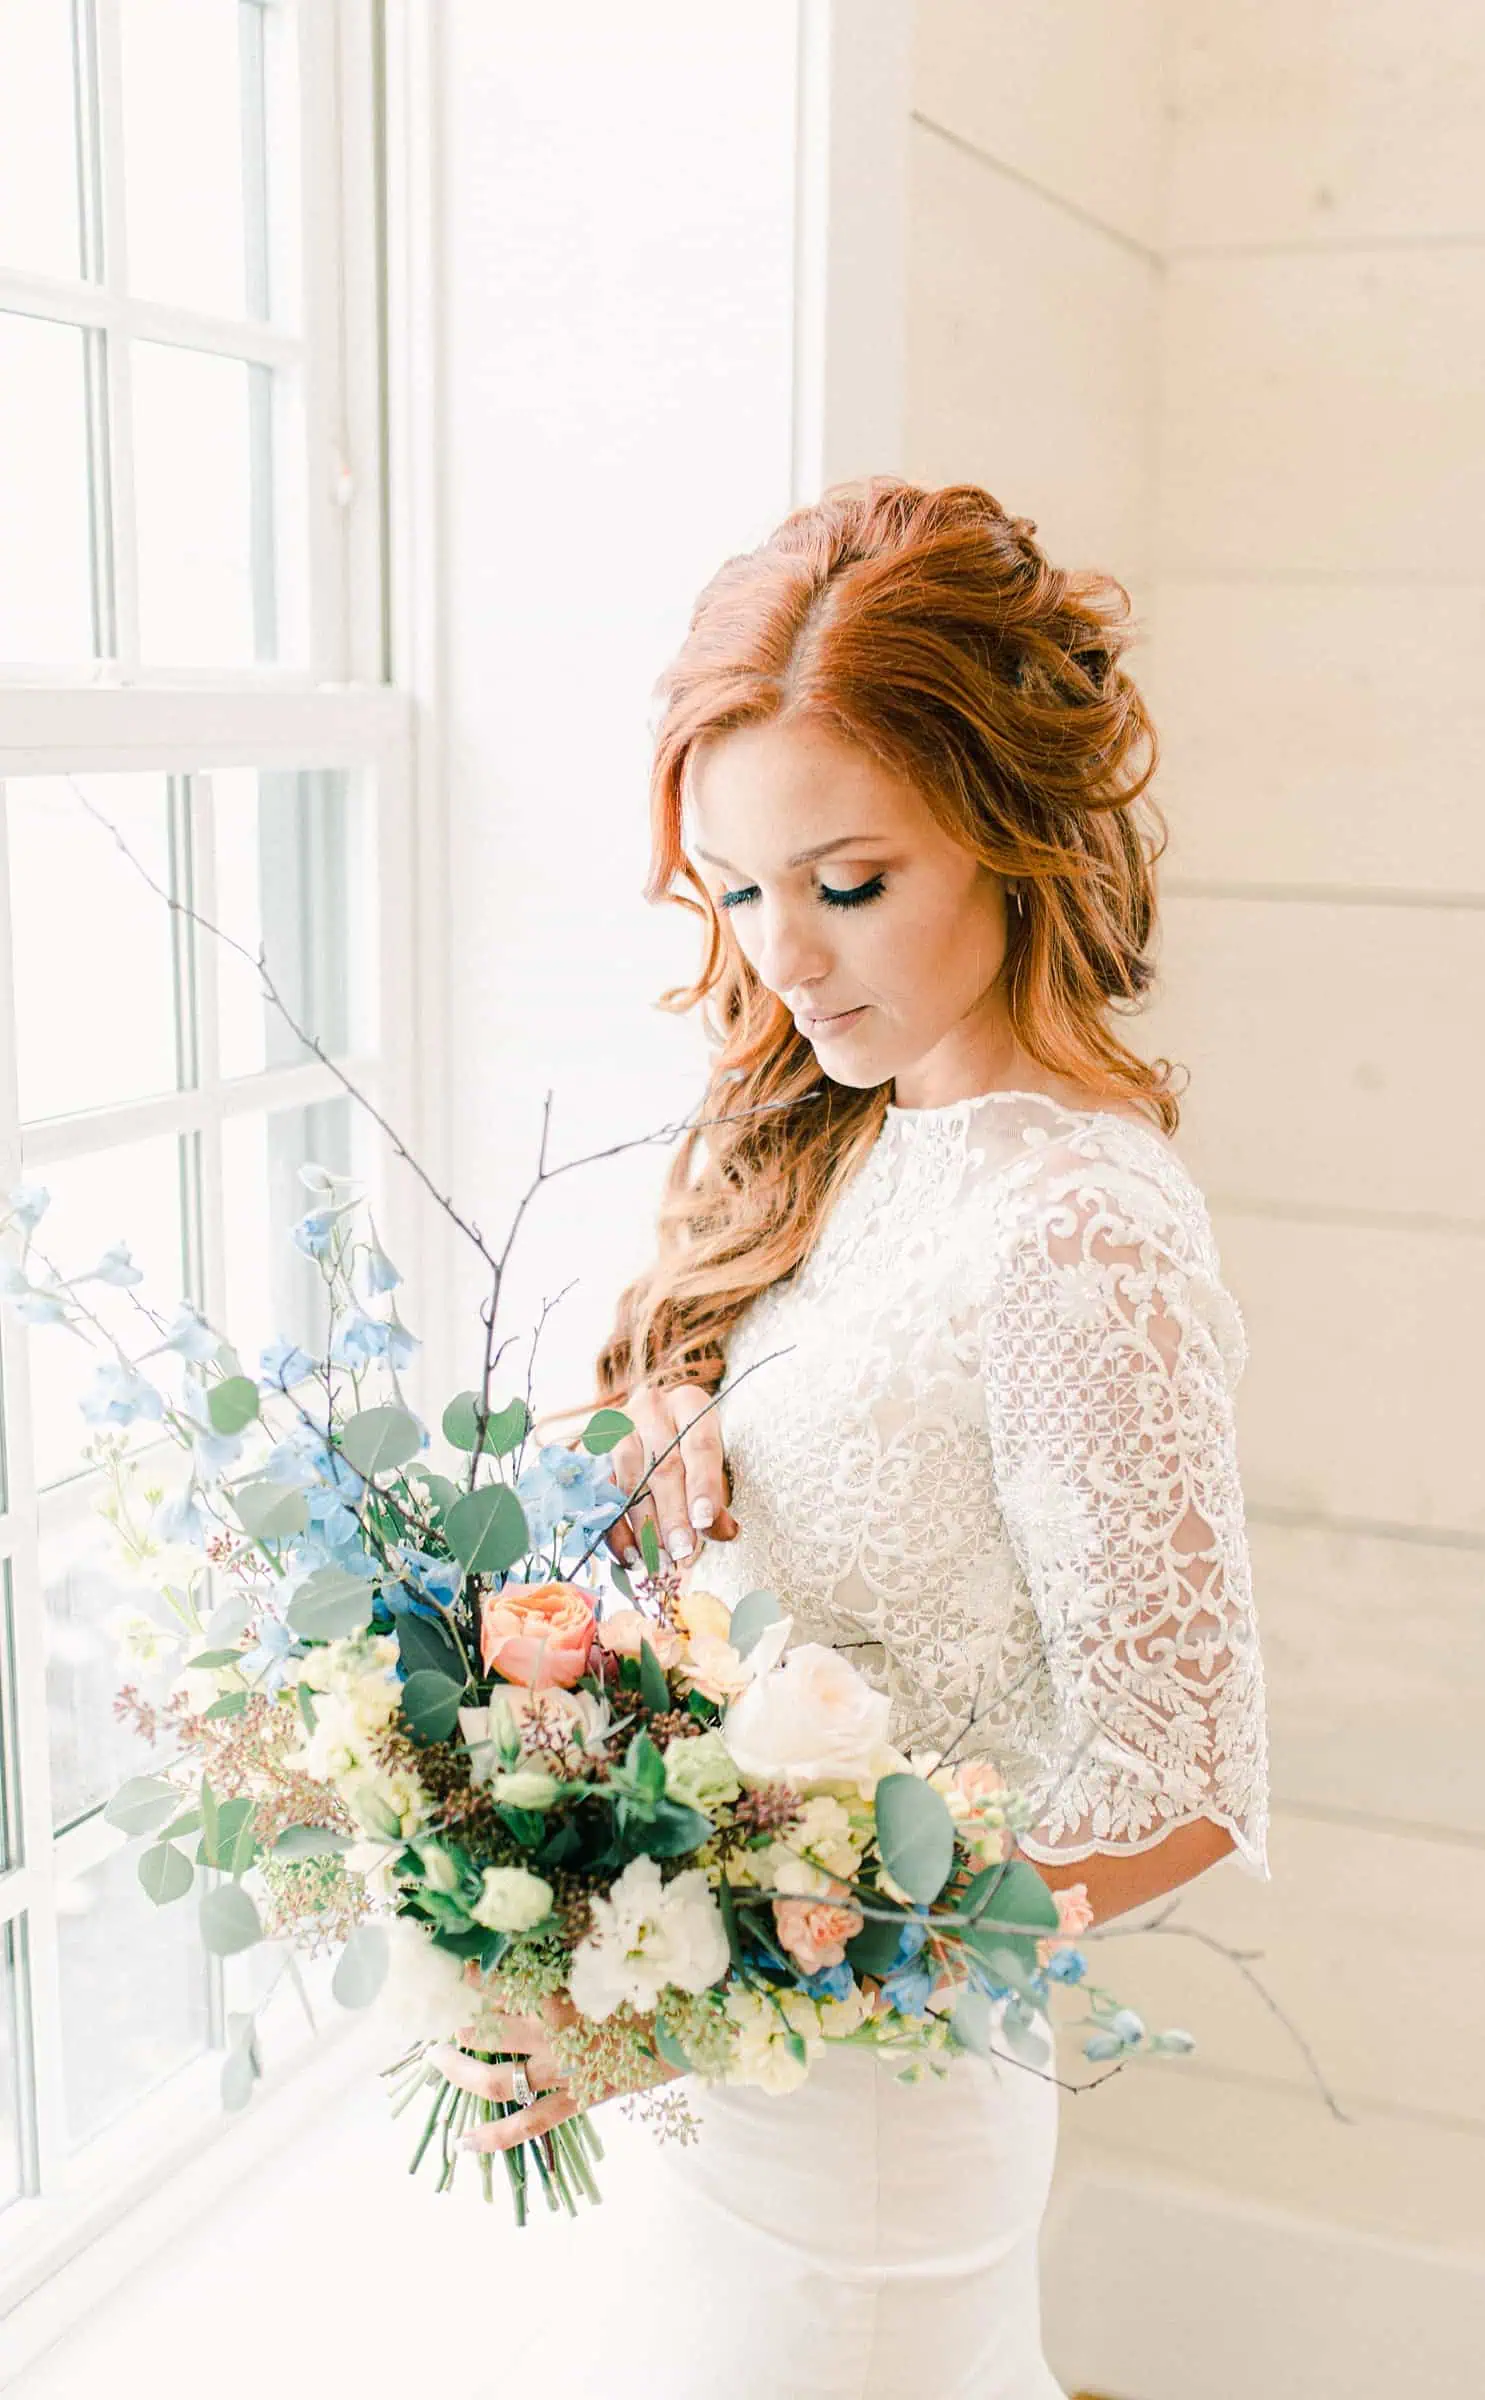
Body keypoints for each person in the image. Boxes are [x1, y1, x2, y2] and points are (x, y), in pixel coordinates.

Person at [432, 477, 1270, 2398]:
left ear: (1010, 832)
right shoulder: (853, 1126)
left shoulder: (1080, 1228)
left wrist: (732, 1957)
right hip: (746, 2104)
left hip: (875, 2138)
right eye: (737, 887)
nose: (786, 957)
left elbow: (1185, 1775)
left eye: (848, 880)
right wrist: (675, 1399)